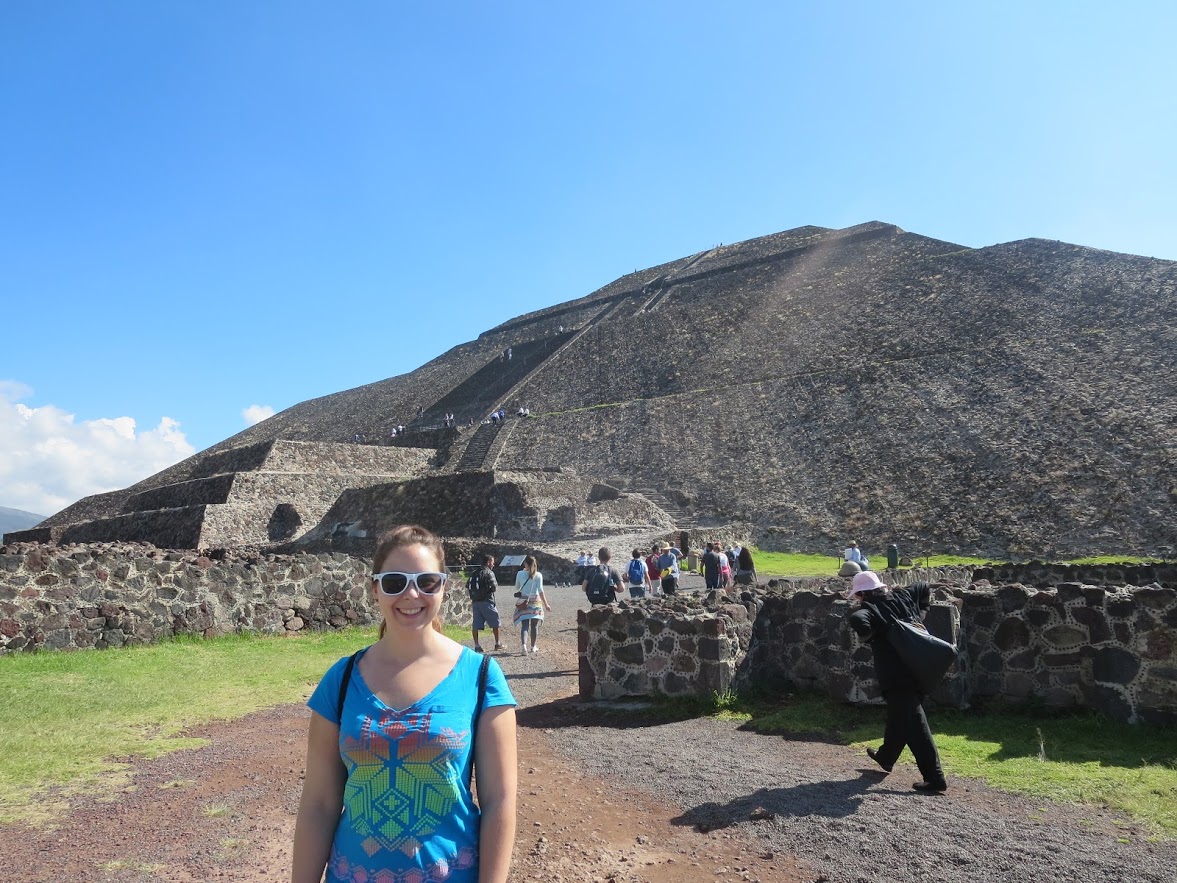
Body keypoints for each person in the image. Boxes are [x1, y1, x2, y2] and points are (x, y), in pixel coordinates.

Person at [292, 524, 518, 883]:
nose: (411, 594)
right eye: (395, 582)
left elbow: (499, 802)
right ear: (375, 589)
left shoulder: (482, 677)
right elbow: (319, 805)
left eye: (426, 581)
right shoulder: (342, 679)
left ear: (443, 585)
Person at [845, 570, 947, 794]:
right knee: (900, 714)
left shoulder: (870, 609)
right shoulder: (903, 596)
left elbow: (856, 619)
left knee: (916, 726)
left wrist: (869, 636)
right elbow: (922, 585)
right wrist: (921, 614)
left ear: (861, 594)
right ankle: (886, 757)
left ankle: (935, 778)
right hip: (921, 667)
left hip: (897, 675)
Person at [512, 556, 550, 655]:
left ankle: (523, 645)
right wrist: (546, 604)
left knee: (524, 625)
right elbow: (541, 591)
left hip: (524, 601)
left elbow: (517, 587)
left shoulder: (520, 573)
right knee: (534, 626)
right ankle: (533, 647)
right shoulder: (538, 575)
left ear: (526, 564)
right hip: (536, 602)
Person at [469, 554, 503, 653]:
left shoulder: (474, 573)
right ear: (488, 562)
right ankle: (497, 643)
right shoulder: (489, 573)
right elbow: (494, 587)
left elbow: (468, 585)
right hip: (487, 601)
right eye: (492, 562)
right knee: (495, 622)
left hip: (475, 602)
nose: (493, 564)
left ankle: (477, 645)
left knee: (476, 624)